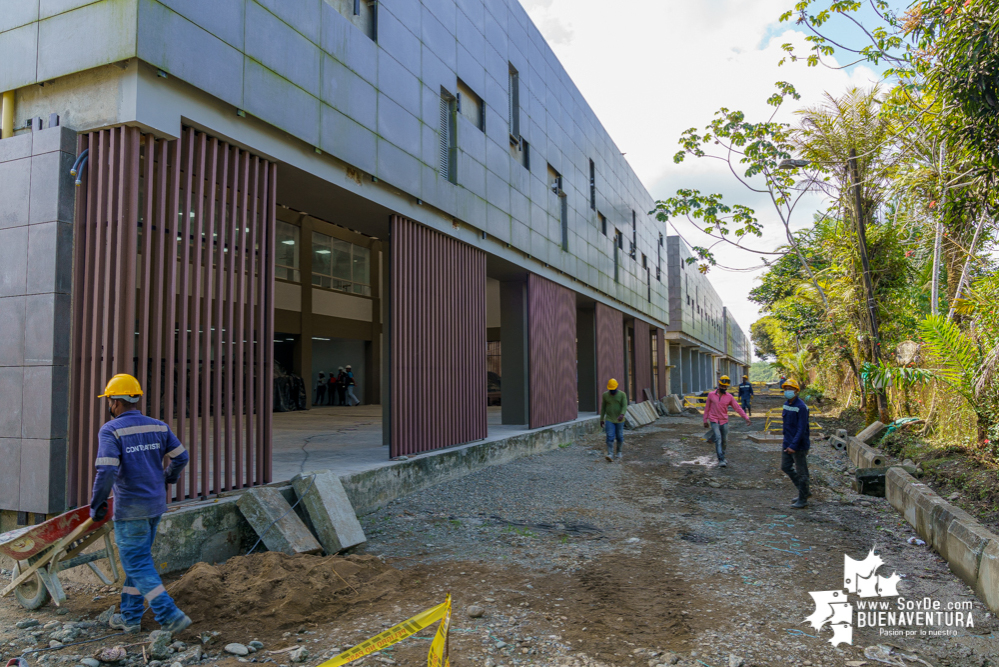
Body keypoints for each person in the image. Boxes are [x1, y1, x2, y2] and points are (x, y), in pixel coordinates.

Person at [89, 374, 192, 634]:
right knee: (139, 563)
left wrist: (97, 503)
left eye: (109, 400)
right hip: (155, 506)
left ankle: (169, 614)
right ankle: (130, 618)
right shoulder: (158, 426)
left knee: (137, 564)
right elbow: (181, 457)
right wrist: (167, 478)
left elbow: (107, 472)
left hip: (131, 510)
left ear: (114, 401)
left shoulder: (111, 430)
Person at [703, 375, 751, 468]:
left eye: (725, 387)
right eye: (722, 386)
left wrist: (746, 418)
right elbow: (707, 408)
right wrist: (705, 420)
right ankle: (720, 459)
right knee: (718, 438)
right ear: (719, 384)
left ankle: (723, 455)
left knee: (724, 440)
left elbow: (737, 408)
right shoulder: (711, 395)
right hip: (713, 420)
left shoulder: (729, 397)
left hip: (724, 421)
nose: (723, 388)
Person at [781, 378, 811, 508]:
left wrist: (794, 446)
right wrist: (787, 443)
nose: (788, 391)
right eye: (786, 389)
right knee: (785, 466)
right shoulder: (786, 404)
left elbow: (801, 429)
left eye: (791, 389)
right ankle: (804, 492)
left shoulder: (801, 407)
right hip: (787, 442)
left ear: (796, 391)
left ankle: (803, 499)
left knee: (802, 472)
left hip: (799, 445)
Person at [599, 378, 628, 462]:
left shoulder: (622, 395)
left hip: (619, 420)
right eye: (610, 390)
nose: (612, 391)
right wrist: (601, 419)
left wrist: (622, 414)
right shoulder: (605, 395)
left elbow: (624, 405)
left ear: (616, 387)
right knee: (610, 435)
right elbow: (603, 407)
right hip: (609, 419)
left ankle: (619, 452)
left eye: (613, 389)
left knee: (619, 436)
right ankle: (610, 453)